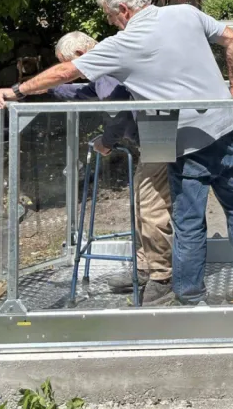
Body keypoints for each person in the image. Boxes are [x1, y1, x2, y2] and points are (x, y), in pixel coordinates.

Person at [0, 0, 233, 307]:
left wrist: (18, 91)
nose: (110, 24)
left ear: (123, 10)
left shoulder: (124, 43)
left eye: (110, 17)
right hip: (224, 125)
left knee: (187, 217)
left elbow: (67, 73)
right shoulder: (186, 12)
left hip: (179, 134)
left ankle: (186, 295)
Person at [49, 31, 173, 301]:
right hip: (158, 135)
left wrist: (106, 141)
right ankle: (144, 266)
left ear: (81, 55)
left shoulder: (103, 66)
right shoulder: (106, 64)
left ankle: (162, 277)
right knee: (143, 203)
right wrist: (43, 88)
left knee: (150, 207)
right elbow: (81, 91)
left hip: (161, 136)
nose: (73, 73)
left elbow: (118, 112)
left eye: (69, 66)